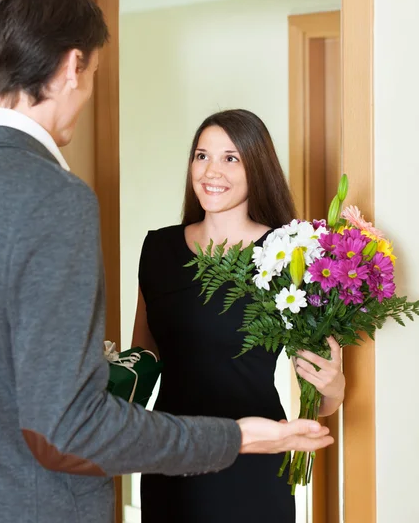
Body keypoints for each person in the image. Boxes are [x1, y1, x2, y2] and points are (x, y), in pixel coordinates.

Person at [0, 0, 334, 523]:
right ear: (73, 66)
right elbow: (70, 426)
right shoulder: (57, 198)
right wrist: (236, 438)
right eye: (96, 71)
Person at [133, 109, 345, 523]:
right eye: (201, 155)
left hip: (256, 461)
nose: (212, 171)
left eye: (231, 158)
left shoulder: (287, 255)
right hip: (172, 454)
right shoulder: (157, 250)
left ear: (256, 168)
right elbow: (144, 356)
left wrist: (334, 387)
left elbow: (318, 400)